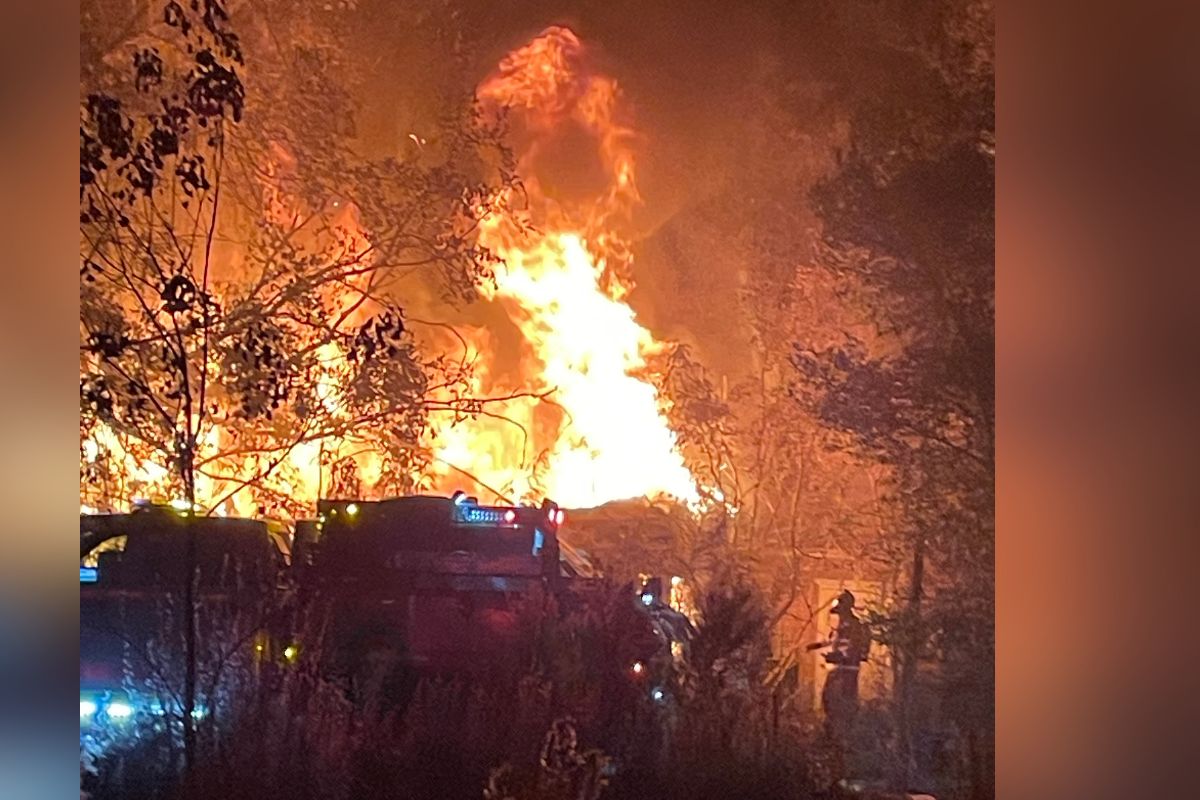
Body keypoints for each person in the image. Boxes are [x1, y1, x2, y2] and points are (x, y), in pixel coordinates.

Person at [808, 590, 870, 741]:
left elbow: (852, 648)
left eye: (840, 611)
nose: (839, 615)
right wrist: (816, 646)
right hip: (838, 669)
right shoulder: (841, 626)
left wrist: (837, 656)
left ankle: (843, 736)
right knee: (828, 699)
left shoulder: (854, 626)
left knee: (842, 702)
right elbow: (833, 641)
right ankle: (832, 735)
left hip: (847, 671)